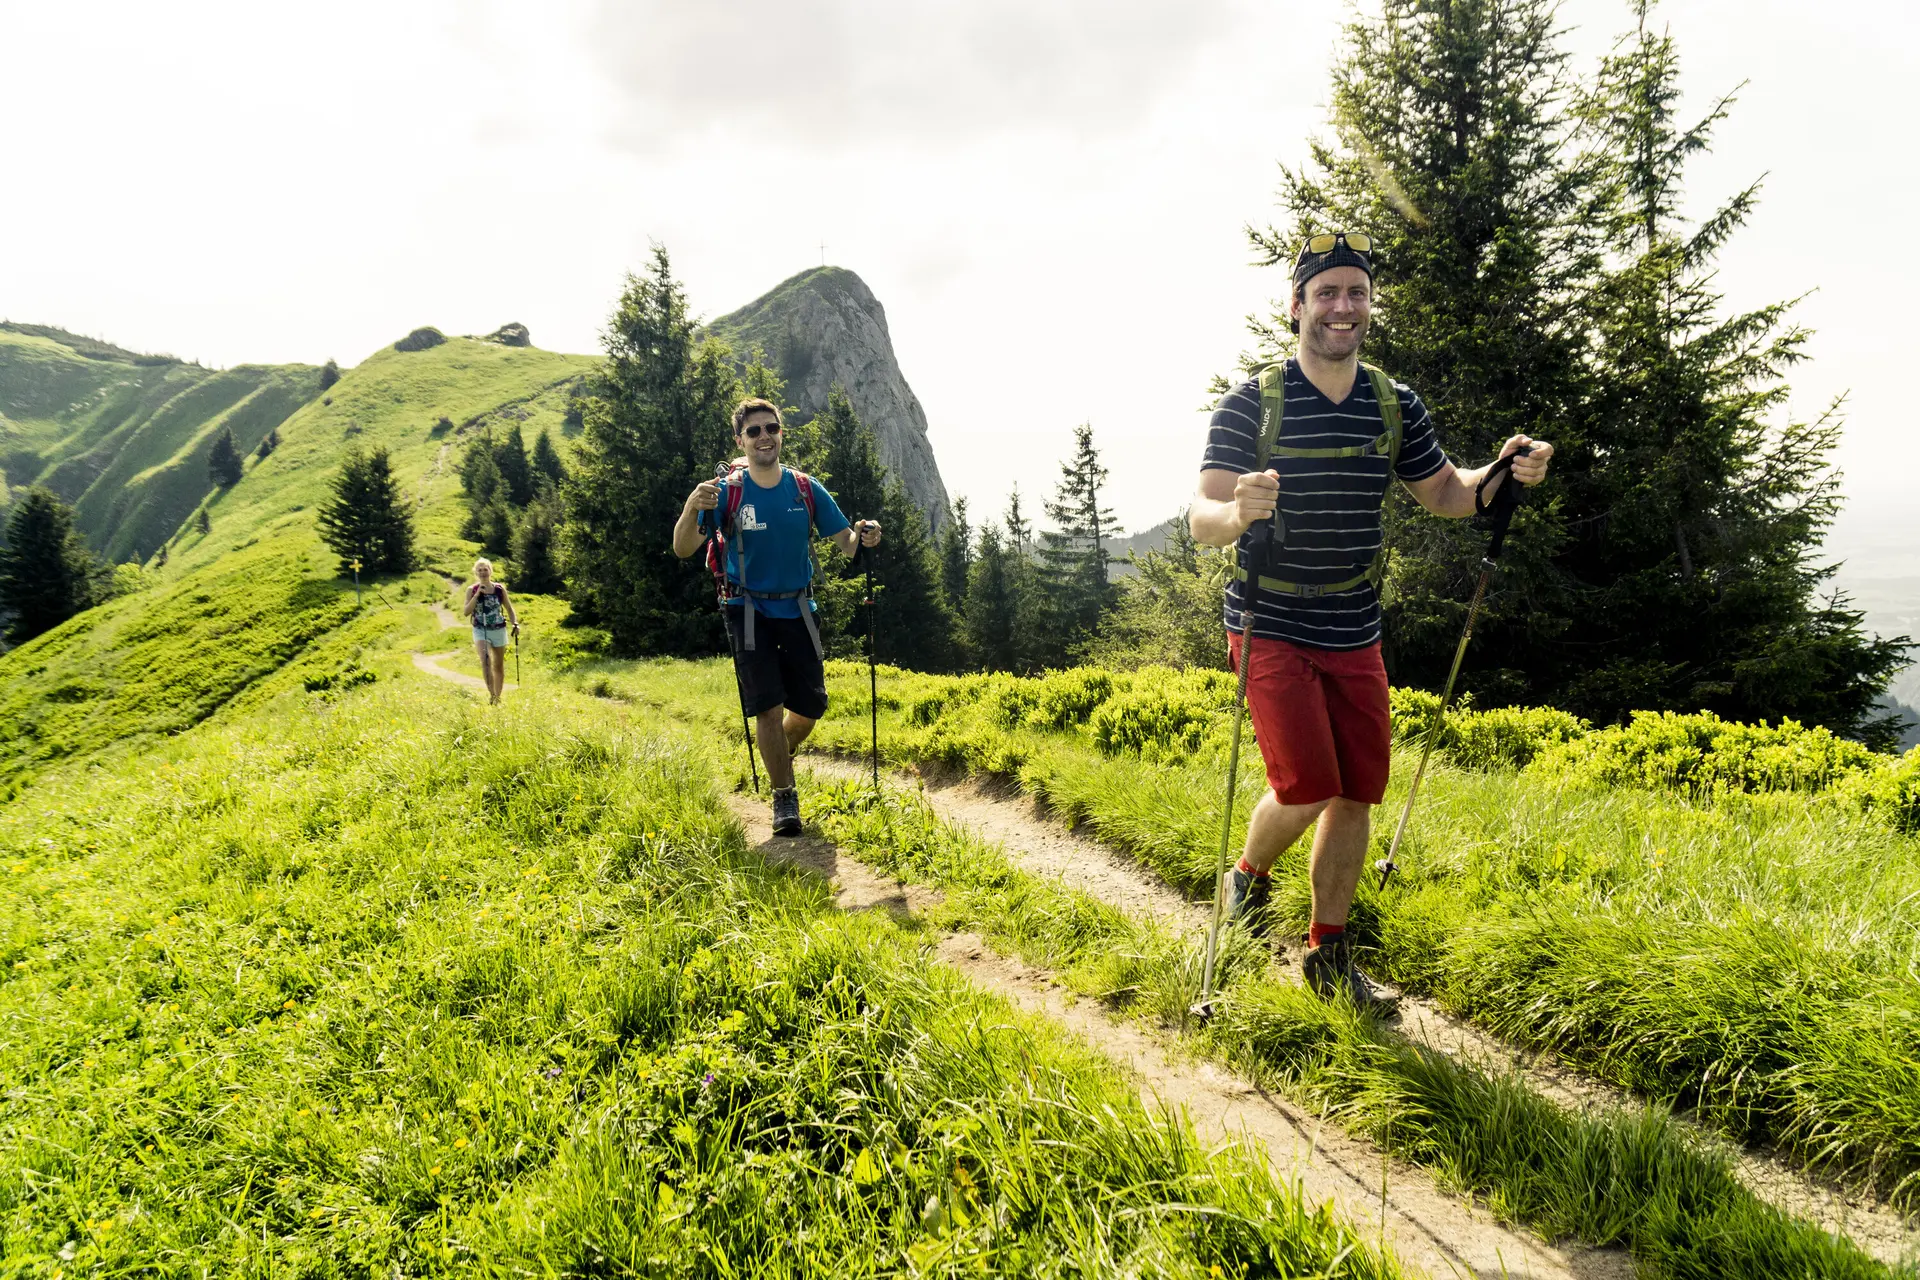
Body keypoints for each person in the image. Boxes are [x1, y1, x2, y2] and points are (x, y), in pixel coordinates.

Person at [1188, 232, 1553, 1012]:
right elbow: (1201, 517)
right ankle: (1246, 877)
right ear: (1297, 307)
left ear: (1368, 305)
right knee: (1308, 785)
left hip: (1355, 623)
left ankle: (1328, 955)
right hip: (1269, 619)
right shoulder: (1251, 402)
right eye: (1326, 293)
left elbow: (1449, 493)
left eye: (1355, 292)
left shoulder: (1394, 403)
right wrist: (1236, 509)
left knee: (1356, 790)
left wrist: (1506, 470)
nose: (1342, 307)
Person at [671, 397, 882, 837]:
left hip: (799, 608)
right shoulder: (725, 493)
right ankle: (784, 797)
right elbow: (683, 548)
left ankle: (773, 762)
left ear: (781, 433)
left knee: (807, 710)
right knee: (767, 707)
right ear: (740, 440)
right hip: (746, 610)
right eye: (754, 431)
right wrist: (692, 508)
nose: (764, 436)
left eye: (771, 428)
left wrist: (865, 535)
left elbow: (846, 544)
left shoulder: (805, 488)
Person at [461, 558, 518, 705]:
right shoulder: (471, 590)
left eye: (485, 569)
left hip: (498, 629)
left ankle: (498, 697)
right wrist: (477, 595)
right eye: (479, 570)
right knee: (485, 660)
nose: (482, 572)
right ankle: (492, 694)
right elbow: (466, 612)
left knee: (498, 665)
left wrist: (515, 624)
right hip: (480, 629)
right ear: (476, 573)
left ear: (490, 571)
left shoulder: (499, 589)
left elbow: (509, 609)